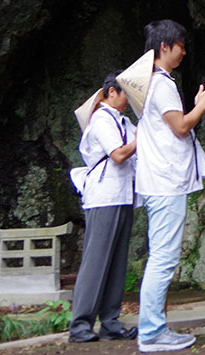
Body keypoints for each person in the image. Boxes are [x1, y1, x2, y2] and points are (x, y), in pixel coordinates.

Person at [135, 19, 205, 352]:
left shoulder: (151, 83)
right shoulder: (161, 84)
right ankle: (152, 334)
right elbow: (181, 127)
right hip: (165, 183)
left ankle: (153, 330)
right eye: (181, 46)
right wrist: (202, 106)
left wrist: (195, 106)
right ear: (164, 47)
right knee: (162, 259)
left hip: (159, 181)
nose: (185, 51)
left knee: (161, 257)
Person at [68, 72, 138, 343]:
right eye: (125, 95)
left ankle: (110, 322)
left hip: (123, 194)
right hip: (103, 196)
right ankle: (80, 325)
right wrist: (142, 137)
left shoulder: (125, 121)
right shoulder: (101, 119)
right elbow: (119, 154)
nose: (128, 101)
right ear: (111, 92)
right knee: (96, 262)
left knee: (118, 262)